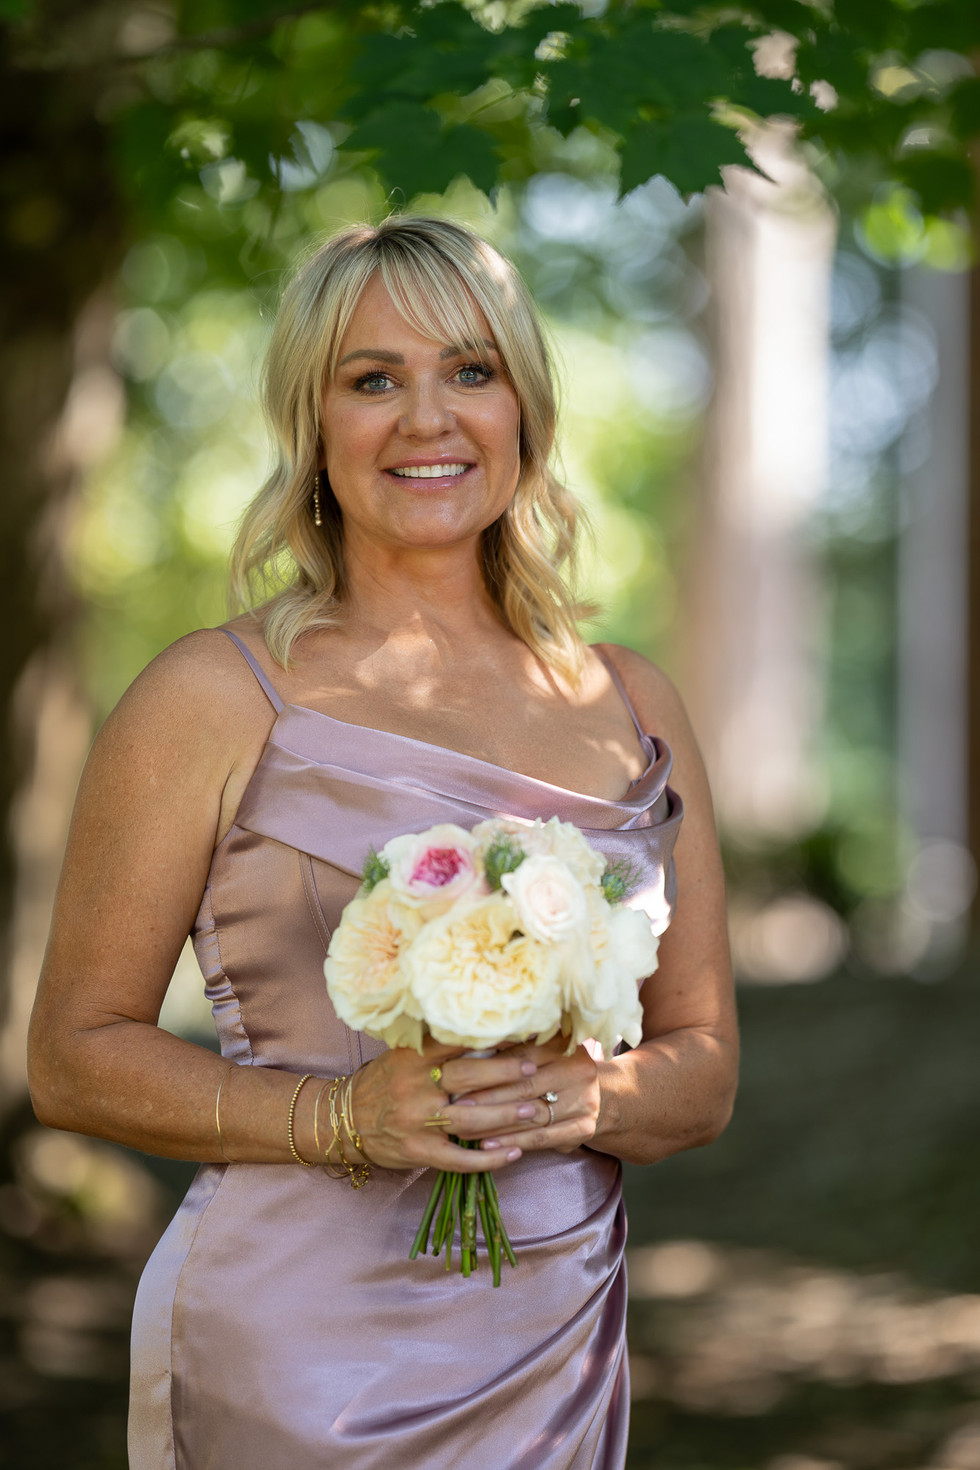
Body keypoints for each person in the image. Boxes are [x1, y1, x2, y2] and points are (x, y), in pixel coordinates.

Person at [27, 215, 737, 1470]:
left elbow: (703, 1070)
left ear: (522, 406)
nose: (427, 419)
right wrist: (341, 1118)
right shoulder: (211, 695)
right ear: (314, 428)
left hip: (558, 1343)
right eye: (372, 380)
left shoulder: (627, 701)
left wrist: (577, 1096)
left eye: (469, 370)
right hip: (299, 1355)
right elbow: (74, 1060)